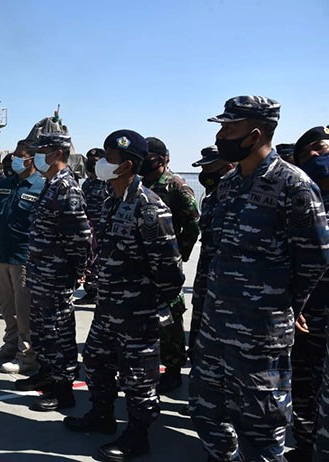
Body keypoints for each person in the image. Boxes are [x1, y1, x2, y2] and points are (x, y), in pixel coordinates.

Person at [189, 96, 329, 462]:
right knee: (208, 415)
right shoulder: (230, 184)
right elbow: (214, 252)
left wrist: (284, 307)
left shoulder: (293, 186)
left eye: (229, 128)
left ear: (253, 135)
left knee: (262, 432)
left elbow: (314, 258)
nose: (221, 135)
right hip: (216, 328)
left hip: (260, 335)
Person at [64, 129, 184, 461]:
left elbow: (170, 270)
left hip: (137, 310)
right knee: (96, 360)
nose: (101, 163)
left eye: (109, 159)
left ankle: (137, 436)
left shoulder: (149, 207)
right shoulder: (109, 199)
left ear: (127, 165)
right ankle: (101, 416)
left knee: (138, 379)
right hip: (108, 306)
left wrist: (150, 304)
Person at [16, 133, 91, 410]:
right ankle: (47, 376)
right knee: (43, 329)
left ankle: (64, 390)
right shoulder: (51, 184)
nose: (37, 155)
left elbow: (80, 237)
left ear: (57, 152)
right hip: (40, 271)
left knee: (58, 330)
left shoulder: (67, 187)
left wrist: (78, 270)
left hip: (56, 274)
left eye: (42, 150)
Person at [0, 141, 46, 376]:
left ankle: (27, 357)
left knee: (24, 311)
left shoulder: (41, 187)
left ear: (32, 159)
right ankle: (11, 345)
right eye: (14, 156)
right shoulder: (5, 184)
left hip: (24, 256)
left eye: (20, 156)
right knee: (7, 306)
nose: (15, 160)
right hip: (3, 255)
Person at [139, 137, 201, 393]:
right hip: (143, 262)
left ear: (163, 159)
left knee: (170, 319)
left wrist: (180, 254)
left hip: (166, 264)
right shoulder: (141, 184)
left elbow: (193, 223)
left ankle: (173, 370)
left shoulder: (176, 186)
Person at [286, 126, 329, 462]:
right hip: (309, 310)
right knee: (305, 379)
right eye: (312, 151)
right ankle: (305, 445)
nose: (320, 155)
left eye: (324, 147)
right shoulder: (302, 198)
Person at [188, 146, 233, 359]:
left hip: (228, 279)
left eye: (211, 167)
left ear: (229, 166)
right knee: (200, 312)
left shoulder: (239, 198)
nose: (206, 173)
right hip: (206, 269)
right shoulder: (210, 198)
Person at [75, 147, 109, 306]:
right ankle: (91, 290)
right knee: (89, 259)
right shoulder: (88, 183)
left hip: (103, 228)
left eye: (94, 162)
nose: (90, 164)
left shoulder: (107, 183)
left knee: (99, 261)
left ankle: (97, 291)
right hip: (89, 228)